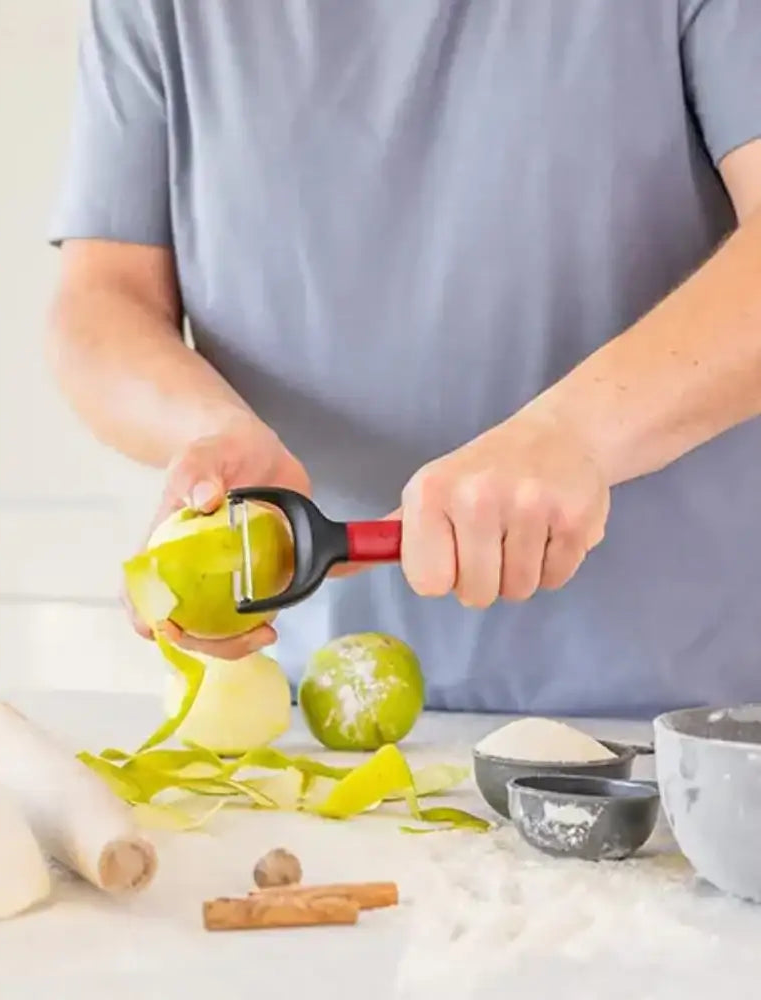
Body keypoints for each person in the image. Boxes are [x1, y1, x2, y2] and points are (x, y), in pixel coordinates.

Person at [45, 1, 761, 720]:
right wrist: (207, 431)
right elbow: (104, 299)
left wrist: (574, 437)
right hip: (314, 718)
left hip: (690, 728)